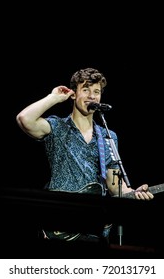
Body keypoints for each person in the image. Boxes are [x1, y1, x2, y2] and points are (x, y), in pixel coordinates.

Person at [16, 67, 154, 247]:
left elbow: (115, 186)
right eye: (86, 89)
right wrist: (54, 97)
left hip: (94, 228)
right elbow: (24, 119)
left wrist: (134, 193)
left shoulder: (108, 137)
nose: (92, 96)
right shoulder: (57, 127)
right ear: (74, 94)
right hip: (60, 224)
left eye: (96, 92)